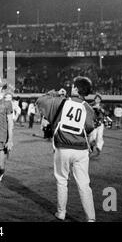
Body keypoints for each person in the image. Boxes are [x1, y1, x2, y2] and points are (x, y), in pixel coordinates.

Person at [37, 76, 96, 222]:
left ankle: (61, 213)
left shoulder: (60, 101)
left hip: (62, 147)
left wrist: (56, 93)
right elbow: (89, 128)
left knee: (62, 181)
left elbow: (40, 101)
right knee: (84, 184)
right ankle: (91, 218)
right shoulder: (88, 108)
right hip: (81, 149)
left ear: (75, 88)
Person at [89, 94, 105, 158]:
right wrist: (93, 108)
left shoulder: (102, 105)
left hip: (100, 122)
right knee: (93, 137)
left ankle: (99, 148)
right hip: (93, 122)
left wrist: (101, 109)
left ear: (100, 100)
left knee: (100, 136)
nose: (97, 100)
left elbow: (106, 113)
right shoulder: (91, 104)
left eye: (99, 99)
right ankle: (91, 148)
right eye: (96, 98)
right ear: (94, 99)